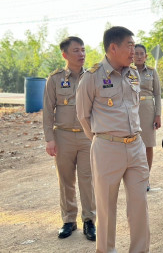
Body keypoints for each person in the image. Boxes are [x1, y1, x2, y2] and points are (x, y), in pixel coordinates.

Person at [76, 26, 150, 253]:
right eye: (129, 46)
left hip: (136, 146)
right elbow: (83, 116)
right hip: (108, 148)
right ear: (113, 47)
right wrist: (104, 139)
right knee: (106, 208)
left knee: (140, 204)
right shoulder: (92, 77)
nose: (133, 51)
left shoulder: (133, 74)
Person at [42, 36, 96, 241]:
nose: (81, 54)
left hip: (86, 136)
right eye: (76, 50)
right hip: (62, 136)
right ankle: (69, 220)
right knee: (66, 180)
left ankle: (89, 220)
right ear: (65, 54)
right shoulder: (55, 79)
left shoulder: (92, 76)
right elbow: (48, 110)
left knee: (87, 179)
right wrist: (50, 138)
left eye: (83, 50)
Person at [133, 44, 161, 191]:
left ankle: (146, 179)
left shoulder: (151, 72)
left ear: (146, 56)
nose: (138, 56)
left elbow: (157, 94)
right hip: (131, 111)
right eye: (135, 53)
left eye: (141, 53)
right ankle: (134, 179)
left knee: (148, 145)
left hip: (148, 110)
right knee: (132, 145)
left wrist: (158, 115)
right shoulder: (126, 71)